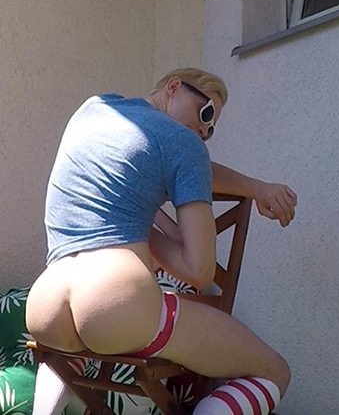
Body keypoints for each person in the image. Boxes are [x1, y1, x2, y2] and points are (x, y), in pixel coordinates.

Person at [26, 68, 298, 415]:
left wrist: (254, 187)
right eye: (206, 113)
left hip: (47, 305)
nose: (205, 130)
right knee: (273, 371)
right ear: (174, 87)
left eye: (212, 128)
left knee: (78, 346)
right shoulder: (184, 144)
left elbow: (179, 158)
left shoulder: (93, 110)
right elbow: (198, 271)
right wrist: (144, 230)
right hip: (116, 305)